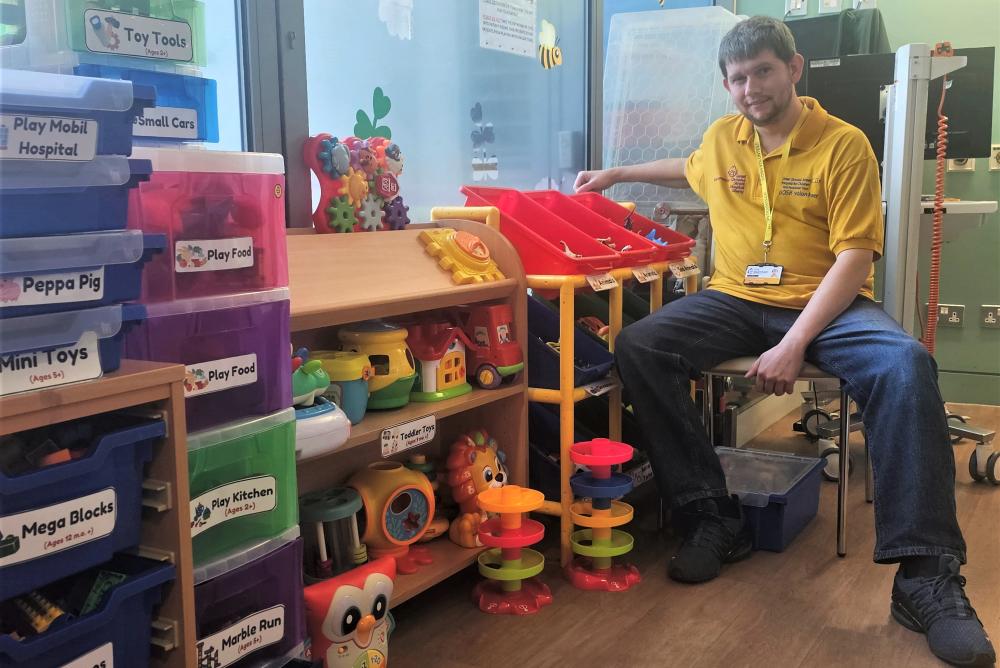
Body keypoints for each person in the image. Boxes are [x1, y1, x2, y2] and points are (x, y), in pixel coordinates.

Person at [575, 16, 994, 667]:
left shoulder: (843, 144)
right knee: (640, 346)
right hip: (735, 301)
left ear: (794, 69)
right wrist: (615, 171)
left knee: (906, 365)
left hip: (827, 301)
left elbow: (855, 255)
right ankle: (713, 516)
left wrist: (797, 341)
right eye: (737, 78)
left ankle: (926, 577)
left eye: (763, 71)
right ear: (727, 85)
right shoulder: (722, 140)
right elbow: (685, 168)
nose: (750, 88)